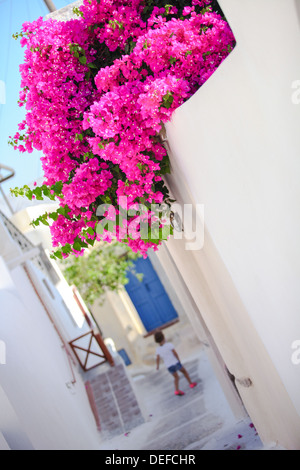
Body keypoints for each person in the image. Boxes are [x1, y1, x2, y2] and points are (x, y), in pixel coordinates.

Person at [154, 330, 197, 396]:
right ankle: (191, 383)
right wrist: (178, 359)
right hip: (175, 363)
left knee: (176, 377)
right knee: (184, 372)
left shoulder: (158, 349)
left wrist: (157, 366)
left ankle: (177, 390)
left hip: (169, 366)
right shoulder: (169, 345)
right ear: (163, 337)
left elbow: (157, 358)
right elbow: (175, 353)